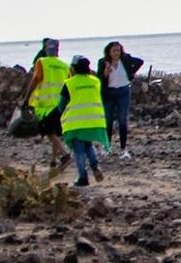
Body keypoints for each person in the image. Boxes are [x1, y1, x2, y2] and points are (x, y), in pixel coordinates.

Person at [59, 55, 110, 187]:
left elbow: (61, 105)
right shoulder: (95, 81)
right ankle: (95, 166)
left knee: (78, 149)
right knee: (88, 144)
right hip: (94, 120)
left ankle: (82, 177)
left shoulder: (69, 83)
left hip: (76, 121)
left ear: (74, 68)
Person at [24, 39, 72, 176]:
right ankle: (53, 160)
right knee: (55, 132)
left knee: (48, 131)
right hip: (61, 103)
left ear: (45, 49)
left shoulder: (42, 62)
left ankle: (64, 155)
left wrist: (27, 98)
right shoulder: (64, 65)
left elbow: (35, 80)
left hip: (46, 104)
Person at [101, 41, 142, 159]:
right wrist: (106, 72)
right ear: (109, 52)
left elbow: (140, 62)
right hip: (109, 93)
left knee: (122, 120)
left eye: (118, 50)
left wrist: (131, 73)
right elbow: (100, 79)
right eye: (114, 51)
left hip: (123, 92)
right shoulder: (103, 62)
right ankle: (107, 147)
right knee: (108, 121)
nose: (116, 53)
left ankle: (123, 149)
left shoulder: (125, 59)